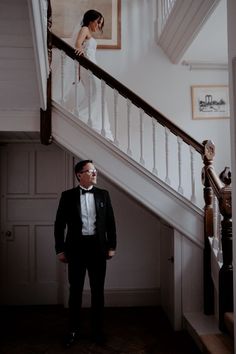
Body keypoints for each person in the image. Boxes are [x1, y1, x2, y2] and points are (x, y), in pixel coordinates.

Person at [54, 159, 117, 348]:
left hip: (98, 249)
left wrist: (112, 246)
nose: (95, 173)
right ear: (79, 174)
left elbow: (111, 223)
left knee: (98, 291)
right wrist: (60, 249)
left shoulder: (103, 195)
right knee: (75, 291)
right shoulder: (67, 196)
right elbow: (59, 225)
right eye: (90, 171)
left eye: (95, 170)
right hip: (76, 249)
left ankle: (97, 331)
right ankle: (73, 330)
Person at [68, 9, 113, 139]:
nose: (98, 26)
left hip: (92, 67)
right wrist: (81, 54)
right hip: (89, 68)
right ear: (91, 20)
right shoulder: (85, 29)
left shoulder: (88, 33)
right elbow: (77, 44)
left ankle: (93, 121)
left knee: (96, 93)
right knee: (95, 93)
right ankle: (81, 116)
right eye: (98, 22)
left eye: (100, 24)